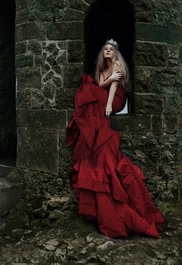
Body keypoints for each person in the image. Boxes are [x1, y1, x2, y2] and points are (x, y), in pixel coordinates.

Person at [66, 39, 165, 238]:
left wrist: (110, 106)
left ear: (115, 53)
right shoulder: (102, 69)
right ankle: (90, 124)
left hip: (115, 99)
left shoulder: (118, 66)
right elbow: (102, 83)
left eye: (111, 50)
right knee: (90, 87)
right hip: (104, 95)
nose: (108, 52)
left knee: (90, 92)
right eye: (105, 50)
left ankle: (89, 123)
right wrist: (103, 83)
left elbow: (112, 87)